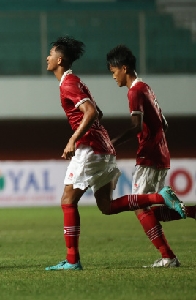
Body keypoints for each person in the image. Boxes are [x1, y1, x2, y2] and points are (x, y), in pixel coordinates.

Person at [44, 36, 185, 271]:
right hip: (104, 148)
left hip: (91, 149)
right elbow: (98, 112)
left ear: (59, 60)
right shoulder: (75, 82)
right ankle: (160, 199)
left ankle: (72, 261)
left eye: (50, 54)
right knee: (107, 207)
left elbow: (90, 112)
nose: (47, 58)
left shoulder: (69, 83)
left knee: (68, 201)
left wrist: (73, 139)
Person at [107, 45, 192, 268]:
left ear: (124, 68)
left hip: (149, 155)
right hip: (161, 155)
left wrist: (112, 143)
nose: (113, 76)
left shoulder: (134, 91)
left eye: (114, 71)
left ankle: (168, 257)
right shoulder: (146, 87)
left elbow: (136, 126)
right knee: (153, 210)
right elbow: (164, 122)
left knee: (140, 206)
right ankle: (190, 213)